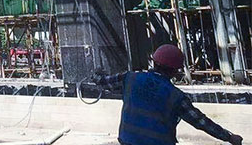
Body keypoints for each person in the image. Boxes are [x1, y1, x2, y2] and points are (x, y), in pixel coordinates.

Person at [93, 44, 243, 145]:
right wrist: (229, 137)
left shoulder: (130, 79)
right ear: (175, 71)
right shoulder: (176, 96)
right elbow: (201, 122)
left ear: (154, 62)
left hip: (128, 141)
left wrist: (97, 75)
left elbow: (103, 82)